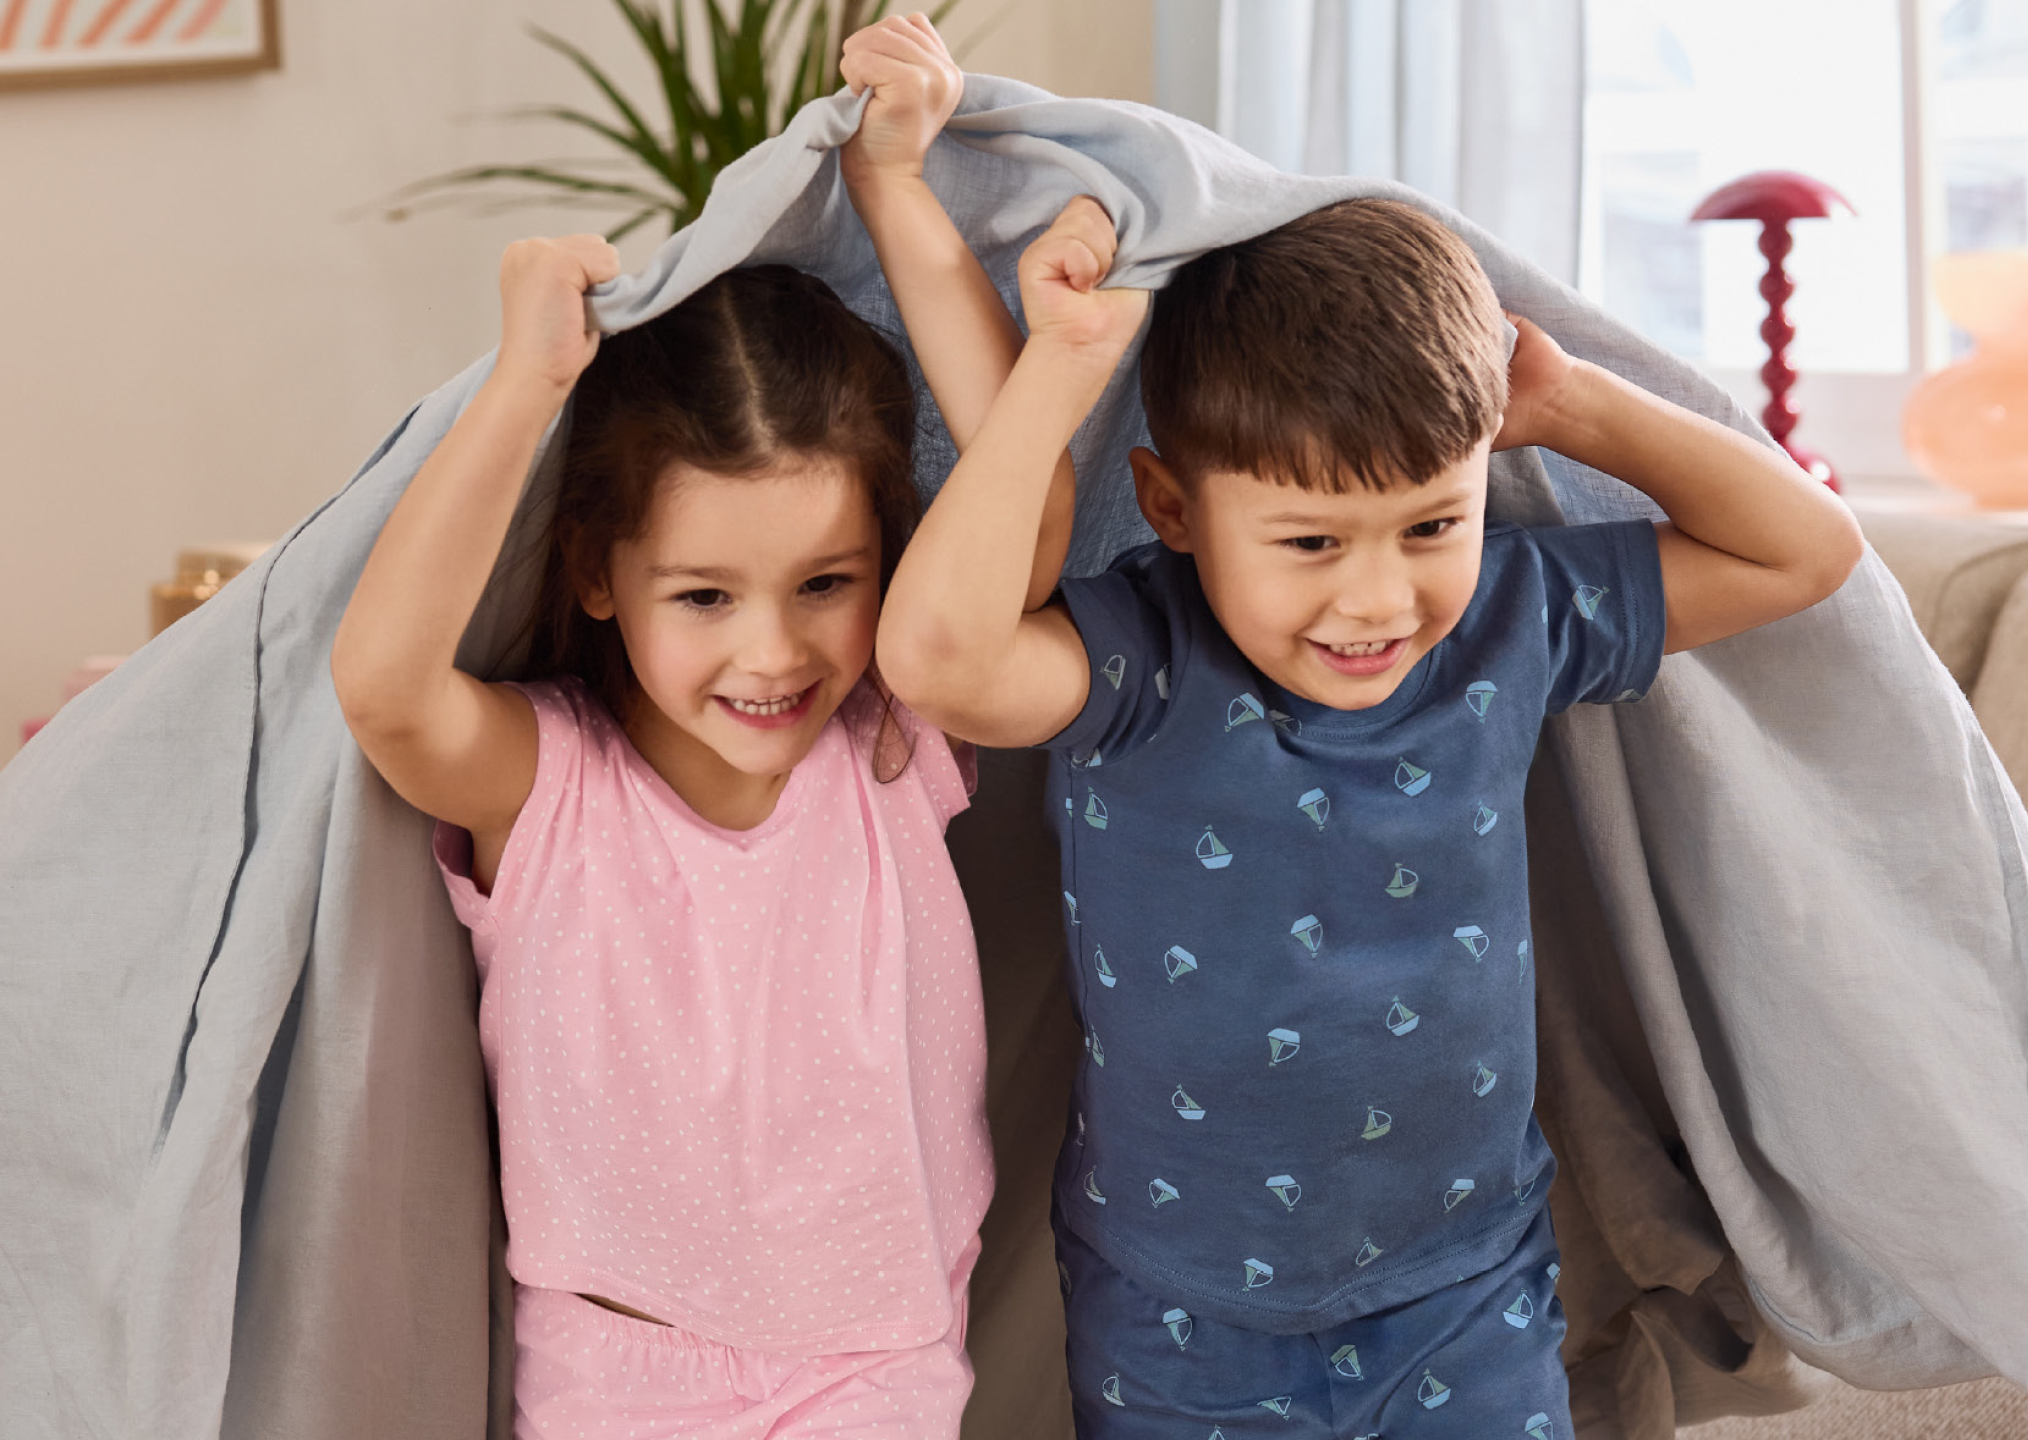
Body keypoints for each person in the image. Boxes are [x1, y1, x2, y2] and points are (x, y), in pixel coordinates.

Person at [874, 190, 1866, 1433]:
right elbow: (937, 661)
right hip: (1180, 1314)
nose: (1378, 599)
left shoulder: (1513, 621)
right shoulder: (1139, 656)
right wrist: (1062, 373)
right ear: (1173, 508)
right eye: (1310, 543)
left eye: (1431, 524)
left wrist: (1570, 407)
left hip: (1465, 1290)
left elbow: (1809, 553)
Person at [328, 15, 1051, 1435]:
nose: (773, 652)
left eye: (827, 584)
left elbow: (1021, 529)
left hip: (881, 1362)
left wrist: (899, 189)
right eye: (706, 595)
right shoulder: (550, 786)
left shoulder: (895, 737)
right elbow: (385, 688)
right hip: (618, 1373)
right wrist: (527, 379)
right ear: (597, 573)